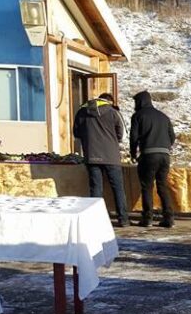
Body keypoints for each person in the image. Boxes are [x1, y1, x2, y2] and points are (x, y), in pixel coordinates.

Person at [73, 92, 129, 227]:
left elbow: (76, 133)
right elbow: (123, 135)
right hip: (111, 157)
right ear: (109, 101)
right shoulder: (113, 112)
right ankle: (123, 219)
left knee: (95, 188)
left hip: (91, 156)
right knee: (118, 188)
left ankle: (95, 219)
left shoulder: (82, 112)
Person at [129, 90, 176, 228]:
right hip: (165, 156)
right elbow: (172, 137)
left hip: (148, 155)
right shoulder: (163, 116)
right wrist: (165, 147)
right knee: (162, 186)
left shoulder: (138, 116)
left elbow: (134, 137)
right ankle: (169, 218)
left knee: (147, 187)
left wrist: (133, 153)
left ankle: (148, 218)